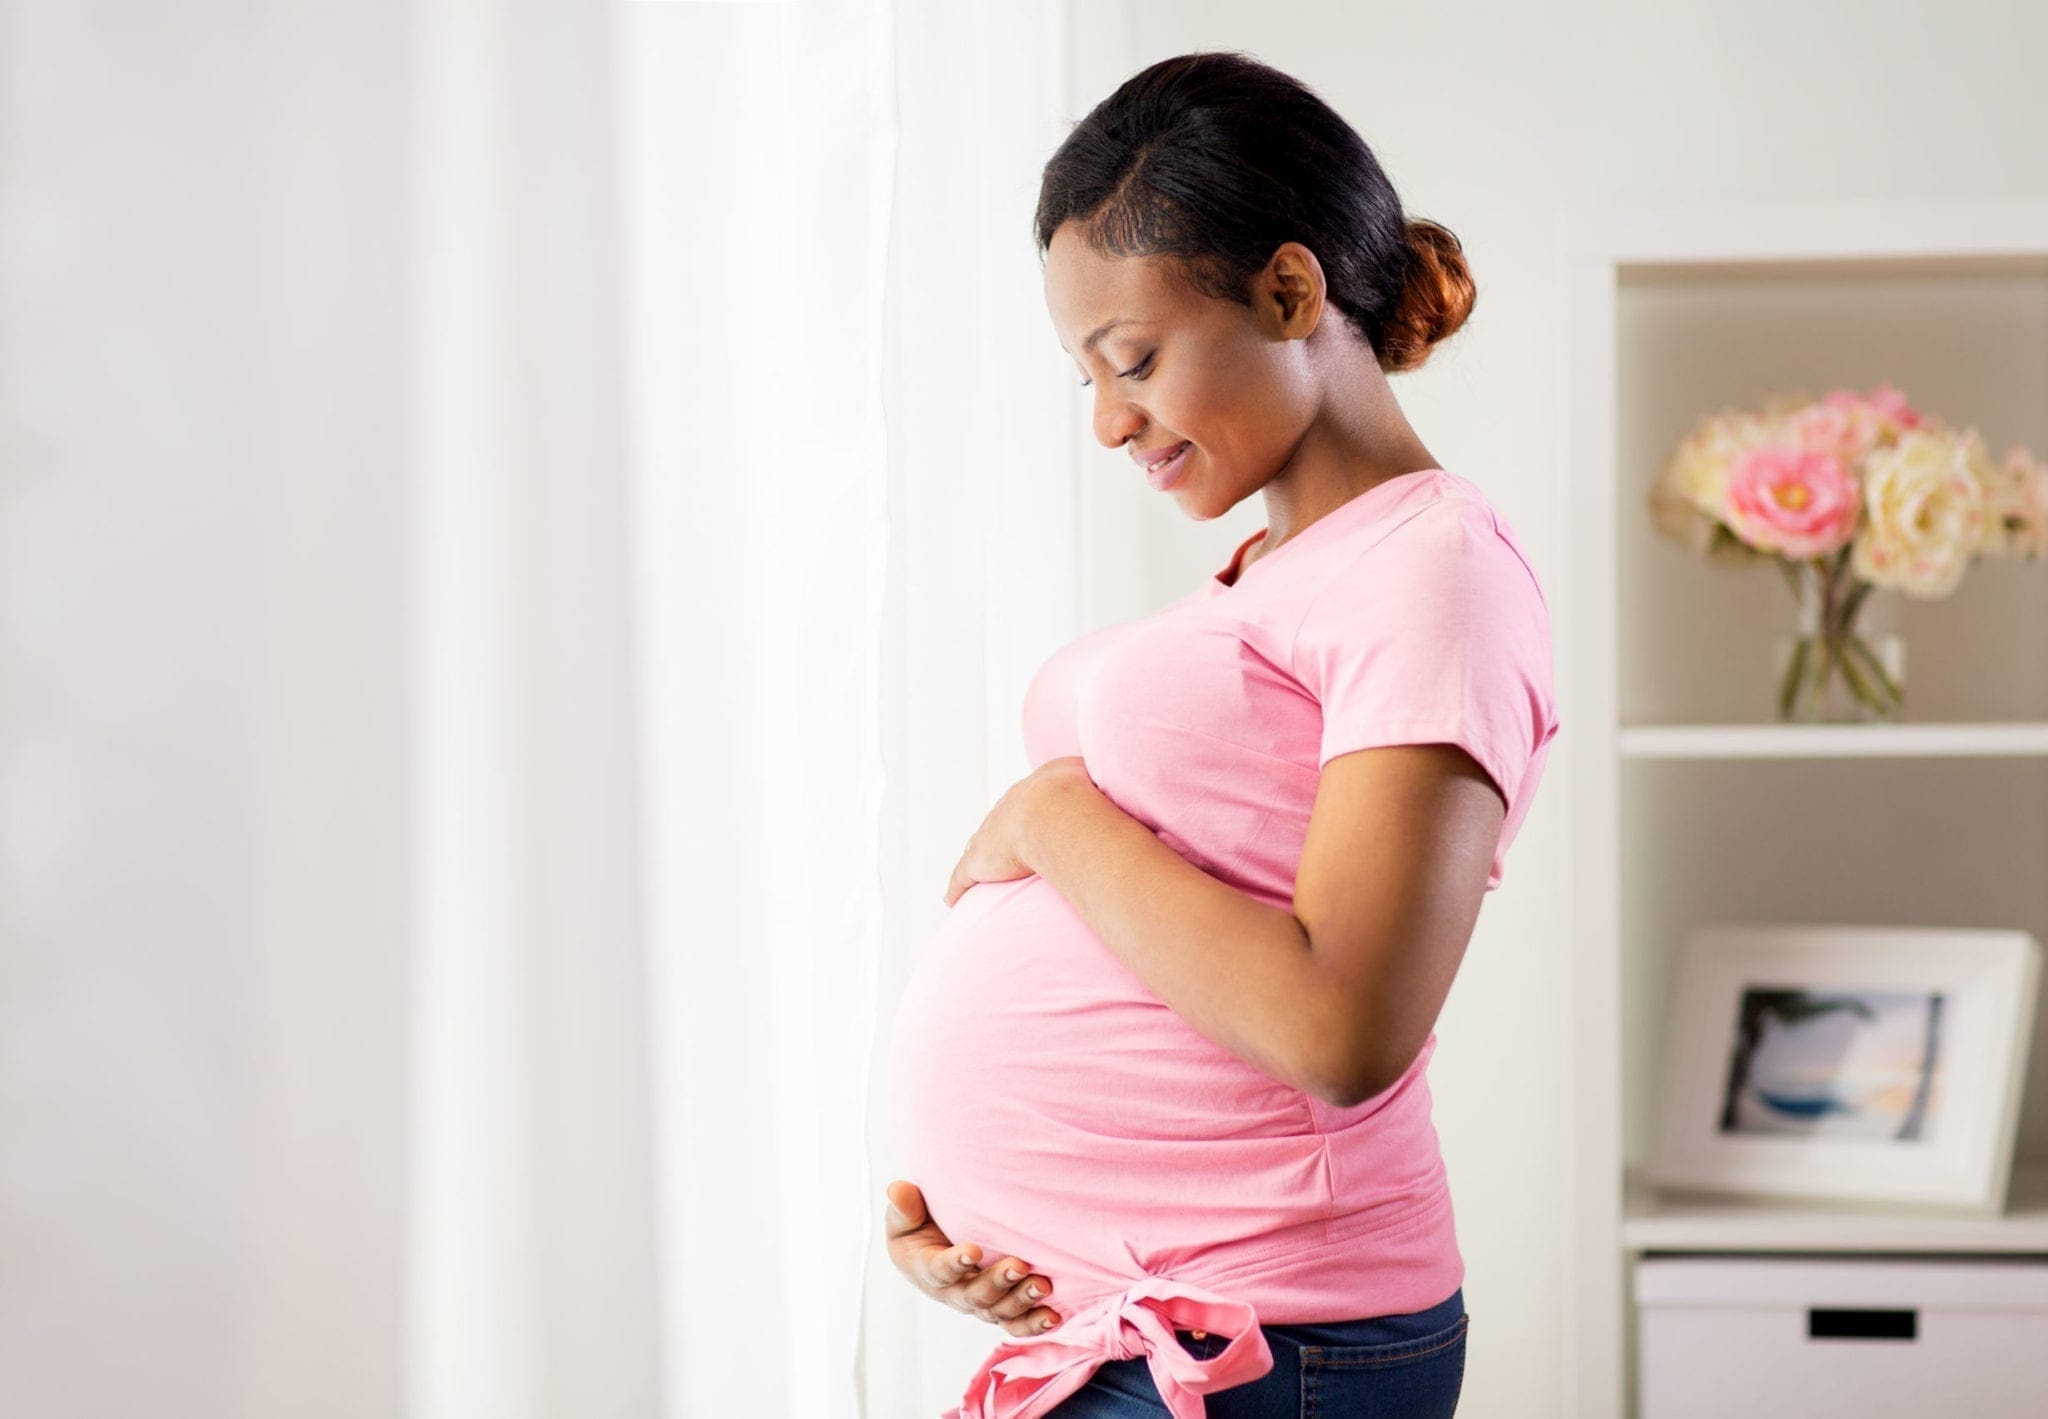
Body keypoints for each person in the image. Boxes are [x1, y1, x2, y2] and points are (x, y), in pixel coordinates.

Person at [884, 50, 1560, 1419]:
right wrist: (1000, 1230)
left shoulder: (1434, 568)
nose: (1108, 421)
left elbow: (1342, 1025)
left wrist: (1053, 819)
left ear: (1292, 290)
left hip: (1265, 1341)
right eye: (1084, 374)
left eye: (1131, 360)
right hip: (1144, 1326)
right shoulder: (1291, 569)